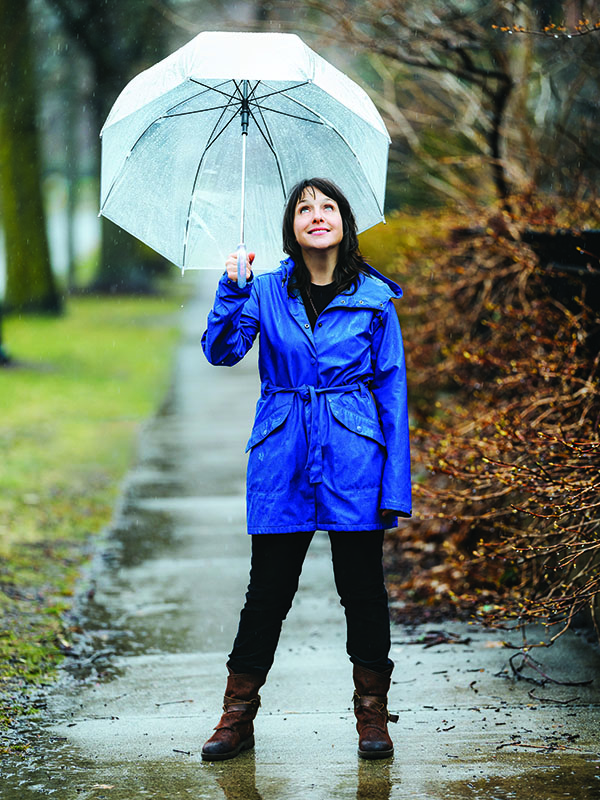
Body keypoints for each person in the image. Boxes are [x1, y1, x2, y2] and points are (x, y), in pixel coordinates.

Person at [200, 177, 411, 762]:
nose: (316, 215)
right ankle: (235, 718)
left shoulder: (373, 299)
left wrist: (395, 487)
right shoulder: (264, 290)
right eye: (303, 208)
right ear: (291, 228)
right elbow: (221, 350)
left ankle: (373, 717)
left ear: (345, 221)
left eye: (327, 206)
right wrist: (230, 289)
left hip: (352, 454)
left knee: (363, 591)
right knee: (266, 593)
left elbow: (392, 395)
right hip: (281, 453)